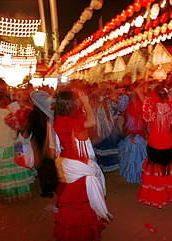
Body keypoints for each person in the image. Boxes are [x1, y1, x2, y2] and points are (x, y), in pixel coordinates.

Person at [53, 90, 112, 241]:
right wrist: (86, 101)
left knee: (86, 198)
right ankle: (77, 233)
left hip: (79, 162)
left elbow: (87, 122)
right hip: (75, 165)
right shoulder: (63, 121)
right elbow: (92, 122)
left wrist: (86, 104)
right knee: (78, 202)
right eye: (76, 100)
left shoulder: (69, 117)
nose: (79, 102)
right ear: (70, 104)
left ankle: (87, 228)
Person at [0, 80, 37, 203]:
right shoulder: (8, 113)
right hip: (10, 145)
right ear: (2, 101)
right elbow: (17, 127)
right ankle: (15, 191)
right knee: (13, 169)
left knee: (2, 172)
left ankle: (4, 192)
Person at [138, 84, 172, 208]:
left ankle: (158, 195)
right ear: (166, 94)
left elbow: (140, 94)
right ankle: (169, 193)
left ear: (154, 94)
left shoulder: (150, 105)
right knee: (169, 169)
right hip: (168, 141)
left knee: (155, 170)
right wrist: (170, 97)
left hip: (154, 141)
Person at [118, 82, 147, 184]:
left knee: (137, 156)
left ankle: (138, 176)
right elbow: (126, 117)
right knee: (132, 156)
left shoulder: (142, 103)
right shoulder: (126, 104)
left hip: (139, 133)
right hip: (131, 133)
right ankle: (133, 177)